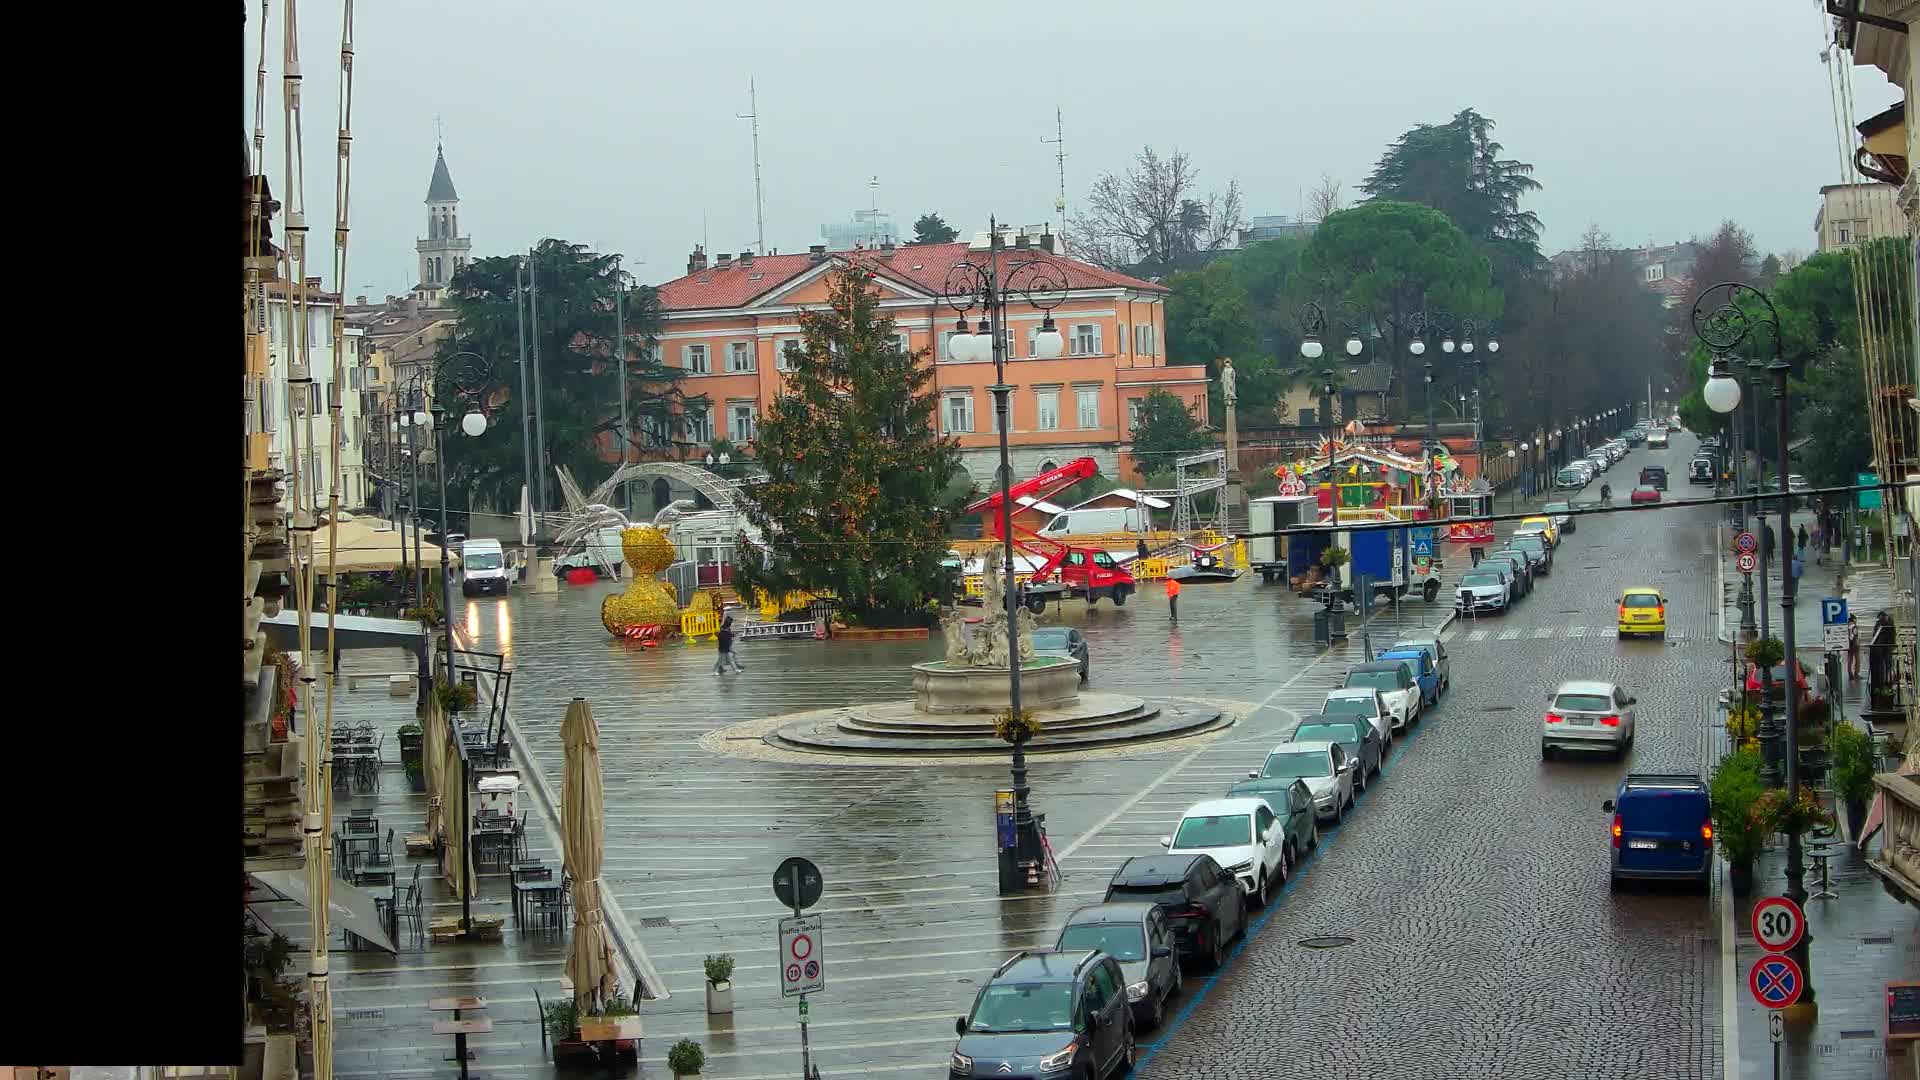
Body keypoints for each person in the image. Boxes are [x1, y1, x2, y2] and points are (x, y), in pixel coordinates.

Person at [1846, 613, 1861, 681]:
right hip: (1855, 645)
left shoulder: (1847, 626)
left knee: (1850, 660)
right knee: (1857, 660)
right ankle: (1856, 674)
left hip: (1849, 645)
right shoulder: (1854, 627)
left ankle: (1850, 674)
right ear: (1854, 620)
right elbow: (1853, 637)